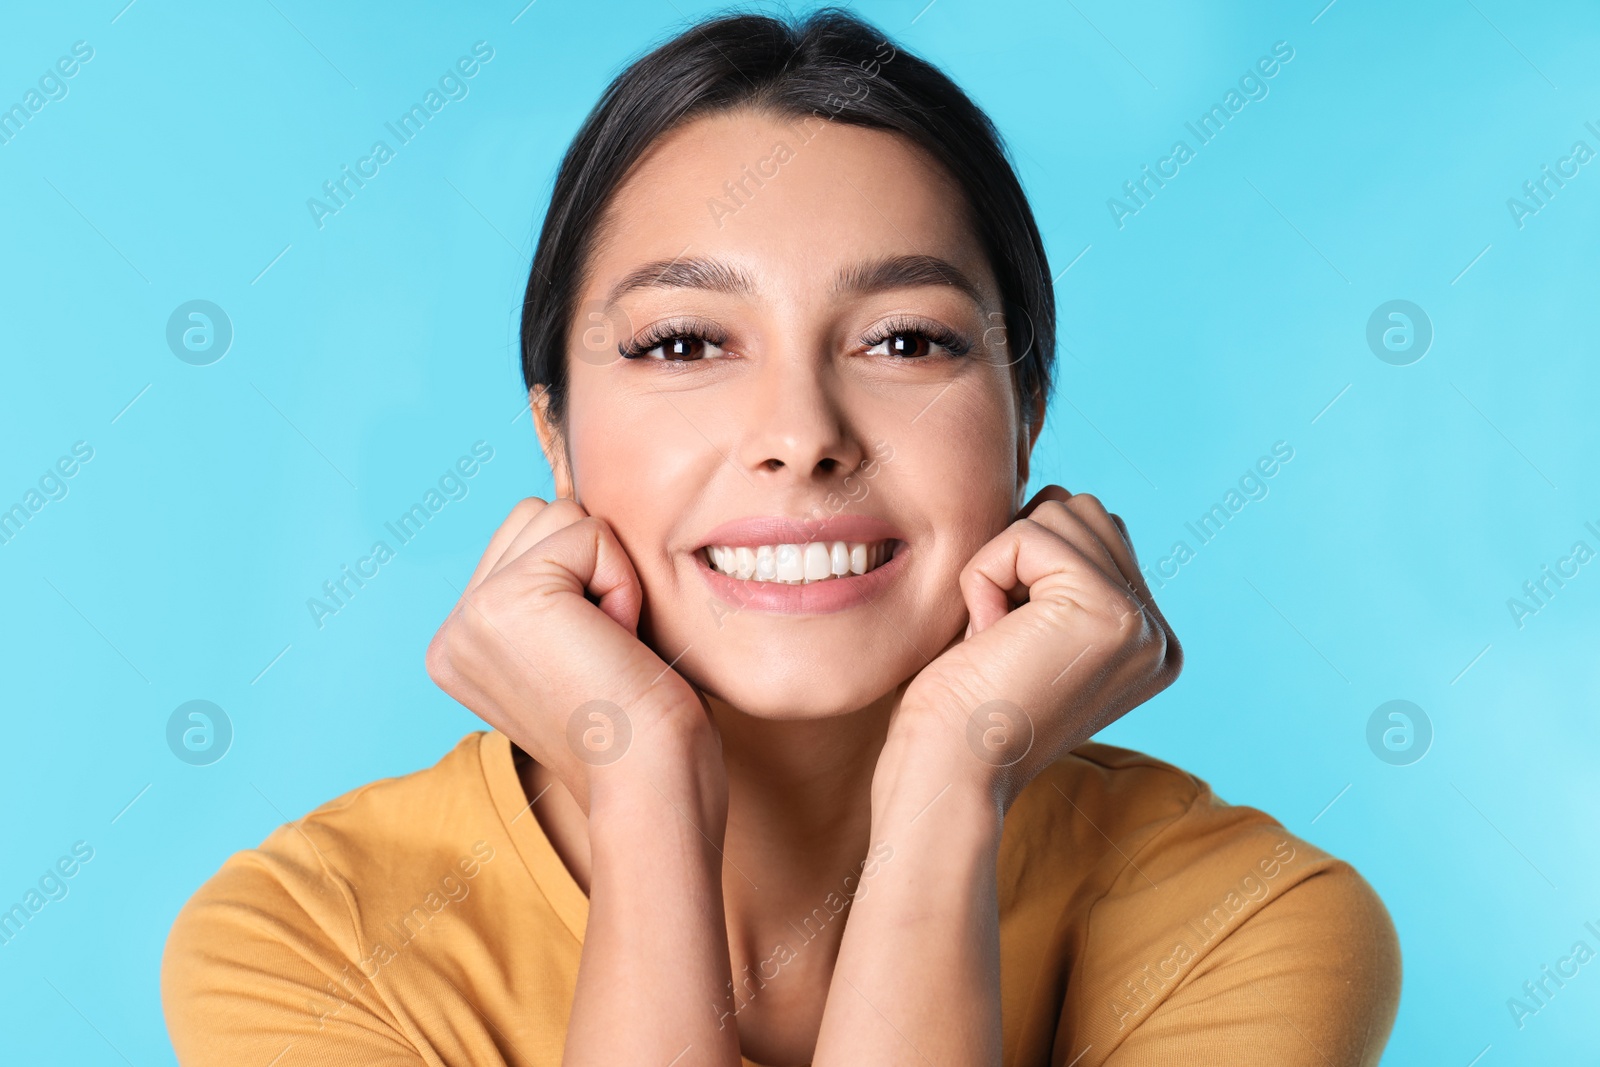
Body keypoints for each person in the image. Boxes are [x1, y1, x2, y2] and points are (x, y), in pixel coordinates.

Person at [161, 8, 1401, 1065]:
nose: (800, 434)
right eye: (684, 342)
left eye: (906, 340)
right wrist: (640, 777)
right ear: (555, 433)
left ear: (1024, 418)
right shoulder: (312, 940)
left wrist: (949, 783)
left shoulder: (1245, 923)